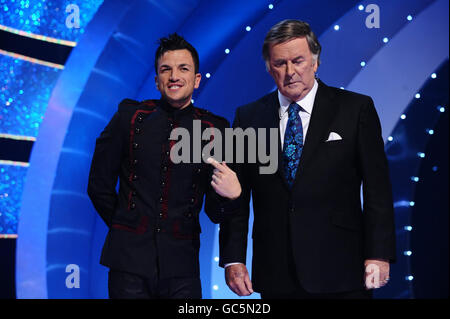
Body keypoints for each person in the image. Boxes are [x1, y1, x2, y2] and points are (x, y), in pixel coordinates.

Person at [219, 19, 396, 299]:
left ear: (315, 62)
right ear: (269, 68)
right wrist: (233, 259)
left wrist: (379, 254)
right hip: (276, 270)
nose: (290, 72)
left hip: (342, 269)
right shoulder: (248, 118)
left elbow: (378, 190)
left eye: (298, 61)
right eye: (280, 64)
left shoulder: (355, 109)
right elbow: (237, 197)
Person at [87, 33, 241, 299]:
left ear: (196, 80)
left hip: (182, 267)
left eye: (183, 69)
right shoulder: (129, 117)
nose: (174, 76)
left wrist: (233, 195)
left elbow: (216, 212)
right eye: (165, 69)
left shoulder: (215, 129)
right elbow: (98, 185)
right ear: (157, 80)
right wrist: (126, 226)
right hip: (127, 265)